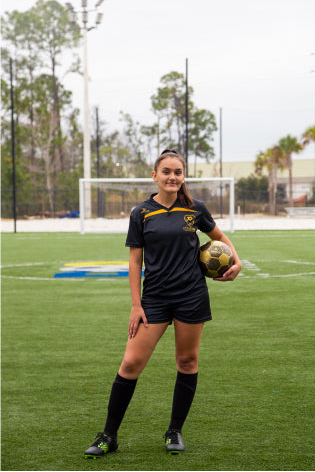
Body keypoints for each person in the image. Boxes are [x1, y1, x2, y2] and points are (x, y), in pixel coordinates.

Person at [84, 149, 241, 458]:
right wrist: (135, 304)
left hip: (191, 295)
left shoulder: (195, 209)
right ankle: (108, 435)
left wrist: (237, 263)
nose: (172, 177)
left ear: (183, 176)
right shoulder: (141, 213)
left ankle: (174, 431)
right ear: (154, 176)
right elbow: (134, 260)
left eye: (178, 172)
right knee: (130, 363)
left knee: (187, 361)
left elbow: (220, 237)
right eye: (166, 171)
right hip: (153, 298)